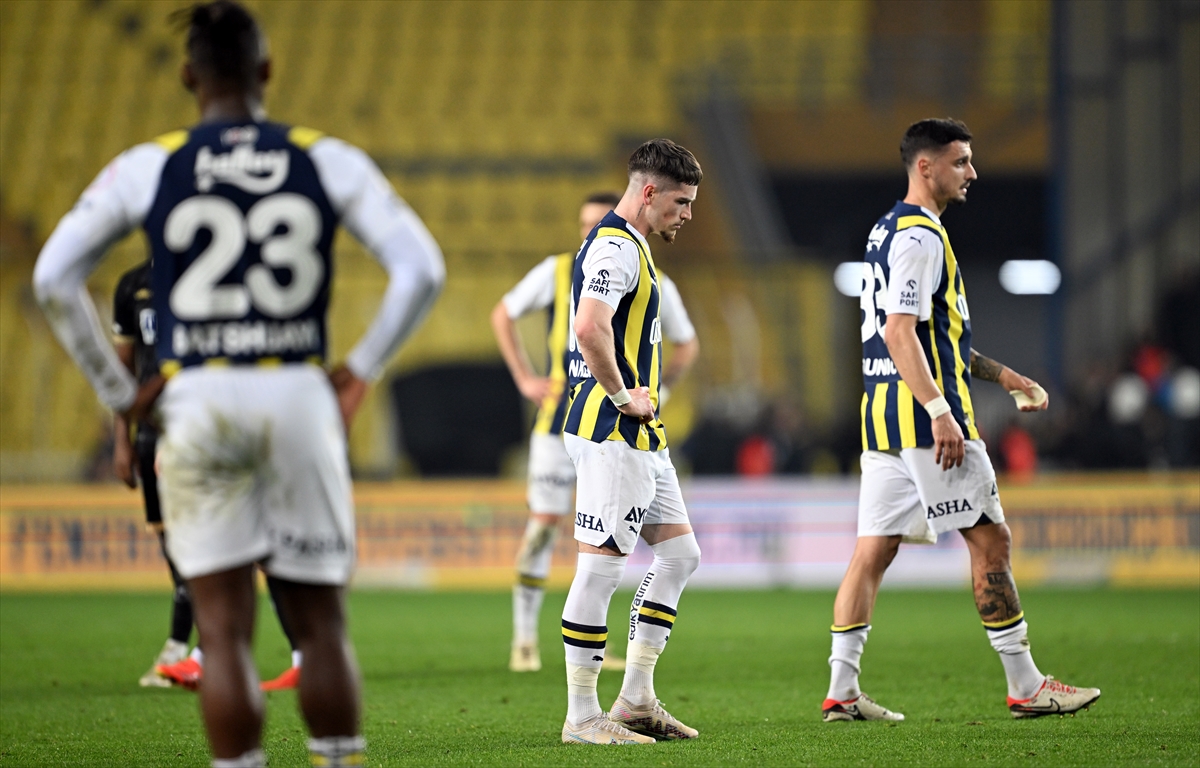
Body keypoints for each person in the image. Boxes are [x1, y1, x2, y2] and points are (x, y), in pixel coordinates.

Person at [32, 3, 444, 766]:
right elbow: (422, 268)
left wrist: (119, 394)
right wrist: (361, 368)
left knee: (221, 630)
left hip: (197, 398)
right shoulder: (326, 157)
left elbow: (54, 277)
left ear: (188, 76)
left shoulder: (150, 164)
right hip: (295, 391)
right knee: (321, 624)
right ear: (266, 71)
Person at [822, 118, 1099, 723]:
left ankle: (842, 691)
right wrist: (941, 411)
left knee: (873, 550)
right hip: (929, 424)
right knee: (991, 541)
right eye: (961, 161)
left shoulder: (886, 230)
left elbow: (929, 337)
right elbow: (900, 333)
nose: (972, 172)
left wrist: (1005, 376)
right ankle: (1026, 685)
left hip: (884, 419)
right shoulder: (921, 237)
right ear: (926, 167)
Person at [491, 192, 699, 674]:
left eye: (595, 222)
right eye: (584, 224)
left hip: (621, 423)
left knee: (639, 553)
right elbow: (506, 313)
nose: (590, 231)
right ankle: (526, 639)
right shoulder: (562, 269)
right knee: (549, 527)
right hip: (568, 420)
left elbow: (686, 344)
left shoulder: (649, 271)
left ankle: (616, 677)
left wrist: (657, 393)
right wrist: (524, 378)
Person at [557, 139, 704, 745]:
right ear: (648, 192)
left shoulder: (630, 244)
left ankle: (636, 699)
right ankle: (582, 716)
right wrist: (623, 396)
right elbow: (588, 328)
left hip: (637, 433)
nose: (687, 214)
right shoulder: (617, 246)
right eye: (681, 202)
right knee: (600, 569)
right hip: (611, 429)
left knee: (680, 555)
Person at [114, 262, 302, 693]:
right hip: (230, 418)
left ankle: (290, 657)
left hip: (234, 422)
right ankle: (211, 655)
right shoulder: (146, 284)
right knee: (232, 545)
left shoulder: (215, 280)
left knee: (257, 546)